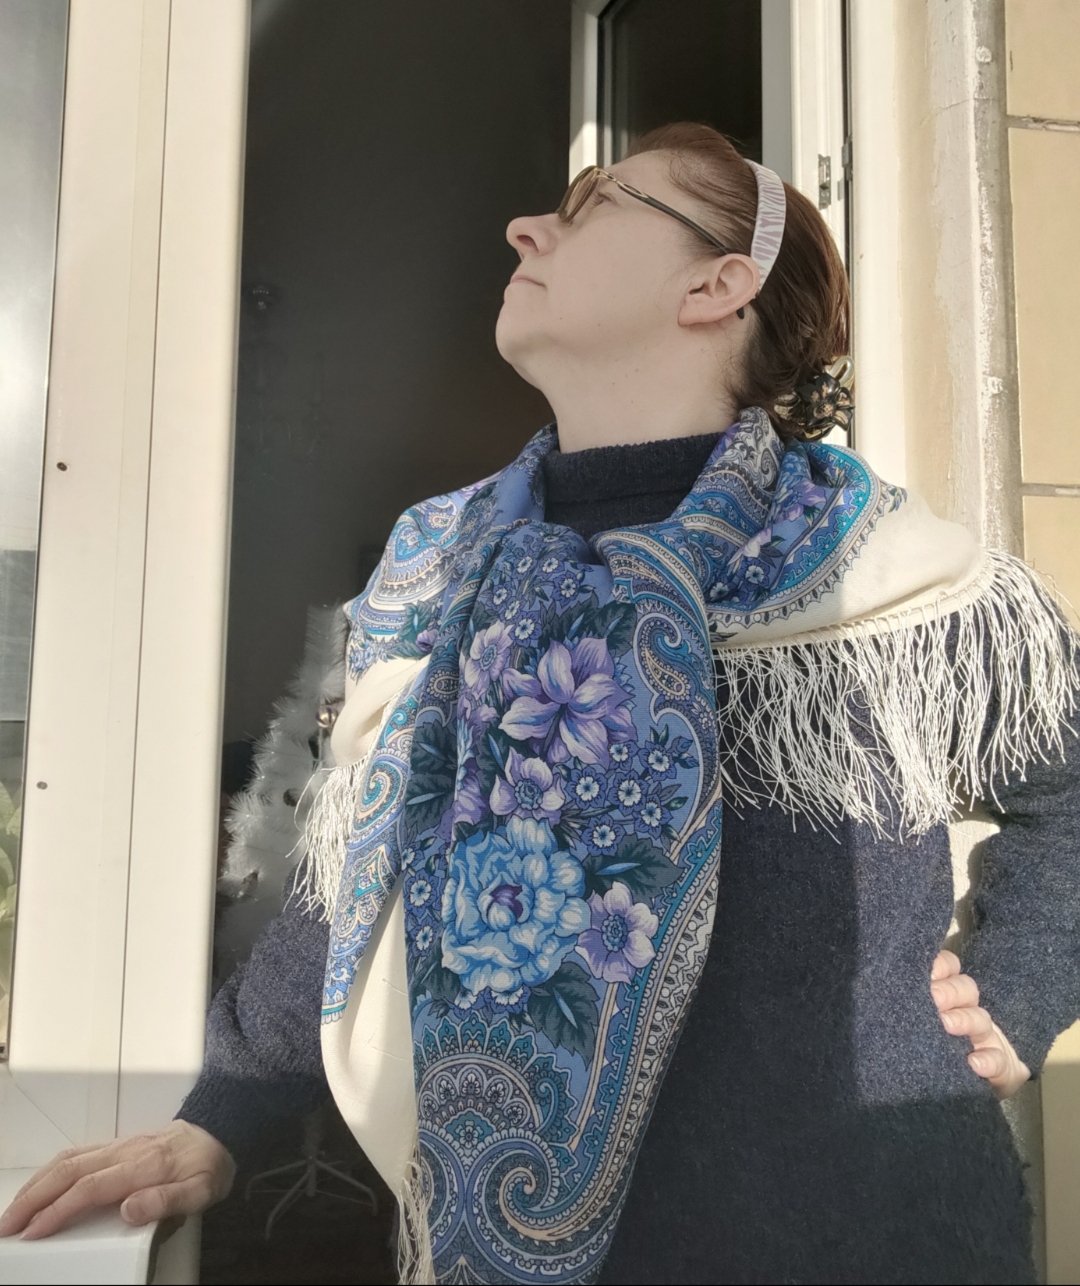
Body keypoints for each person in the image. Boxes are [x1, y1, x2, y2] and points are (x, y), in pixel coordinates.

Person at [2, 122, 1077, 1286]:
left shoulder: (886, 576)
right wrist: (220, 1113)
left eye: (597, 205)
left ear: (718, 285)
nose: (525, 229)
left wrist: (1016, 987)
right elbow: (356, 868)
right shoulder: (435, 568)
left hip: (880, 1238)